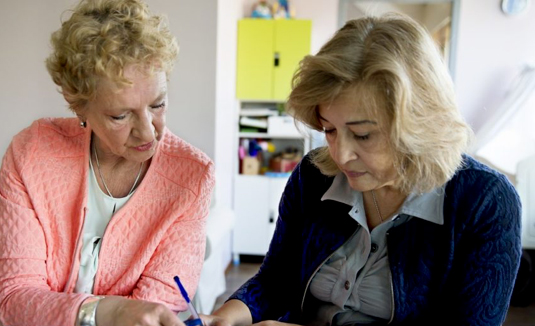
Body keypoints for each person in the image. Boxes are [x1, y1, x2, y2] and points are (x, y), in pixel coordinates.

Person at [203, 14, 521, 326]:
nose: (340, 154)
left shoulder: (484, 202)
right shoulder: (313, 176)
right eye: (329, 130)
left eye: (363, 134)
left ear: (418, 124)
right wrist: (225, 318)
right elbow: (276, 279)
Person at [0, 1, 214, 326]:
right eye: (120, 115)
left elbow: (152, 313)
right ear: (80, 107)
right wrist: (106, 312)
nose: (147, 131)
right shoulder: (32, 154)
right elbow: (13, 298)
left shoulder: (193, 177)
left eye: (158, 104)